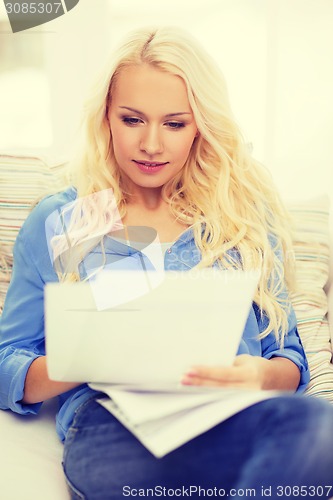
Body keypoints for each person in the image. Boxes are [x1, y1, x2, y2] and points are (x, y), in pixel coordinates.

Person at [0, 26, 333, 499]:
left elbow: (289, 356)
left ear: (200, 125)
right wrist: (88, 355)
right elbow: (7, 364)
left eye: (175, 124)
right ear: (106, 119)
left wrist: (258, 376)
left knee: (322, 428)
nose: (152, 145)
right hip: (115, 424)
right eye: (133, 120)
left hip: (230, 413)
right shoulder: (63, 219)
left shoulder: (241, 216)